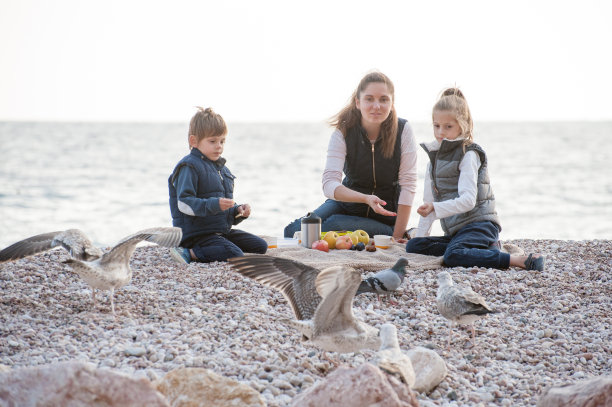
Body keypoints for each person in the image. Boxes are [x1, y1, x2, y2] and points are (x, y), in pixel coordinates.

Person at [406, 88, 545, 271]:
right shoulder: (433, 160)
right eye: (436, 125)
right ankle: (482, 249)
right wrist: (421, 237)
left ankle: (516, 260)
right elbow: (428, 207)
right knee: (413, 246)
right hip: (459, 232)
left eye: (448, 126)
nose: (440, 132)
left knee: (452, 256)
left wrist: (436, 208)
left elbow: (468, 201)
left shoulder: (469, 154)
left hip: (481, 225)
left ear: (462, 125)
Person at [283, 71, 418, 241]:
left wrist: (397, 236)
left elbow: (408, 185)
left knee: (334, 224)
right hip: (346, 206)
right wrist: (365, 199)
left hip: (385, 217)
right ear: (358, 102)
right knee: (293, 231)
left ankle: (400, 232)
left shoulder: (403, 130)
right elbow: (329, 183)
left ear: (392, 103)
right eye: (369, 99)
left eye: (383, 99)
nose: (376, 106)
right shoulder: (344, 131)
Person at [168, 107, 267, 264]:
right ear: (194, 141)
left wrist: (238, 212)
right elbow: (184, 204)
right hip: (195, 235)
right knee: (235, 254)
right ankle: (189, 252)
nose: (219, 146)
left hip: (219, 231)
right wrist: (215, 204)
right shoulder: (189, 166)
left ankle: (219, 247)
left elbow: (223, 210)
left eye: (222, 141)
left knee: (260, 246)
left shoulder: (222, 169)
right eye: (212, 141)